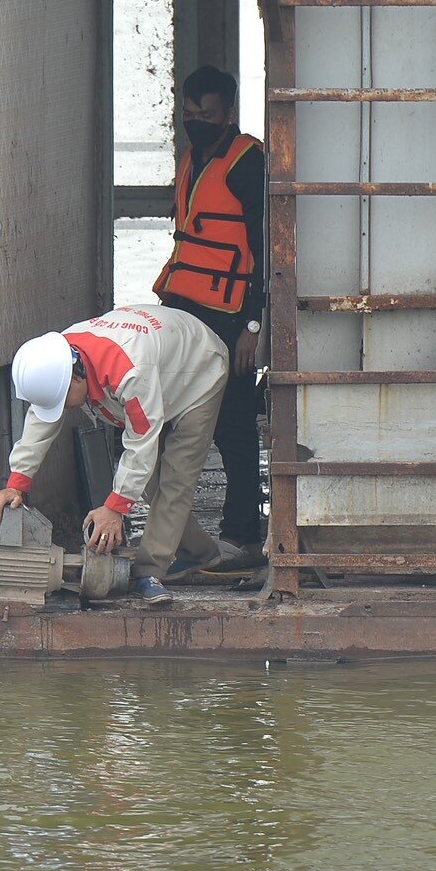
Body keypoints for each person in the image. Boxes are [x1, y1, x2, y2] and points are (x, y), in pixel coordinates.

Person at [0, 305, 230, 608]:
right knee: (146, 483)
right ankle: (201, 553)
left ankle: (149, 571)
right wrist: (17, 483)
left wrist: (115, 509)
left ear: (76, 380)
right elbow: (41, 420)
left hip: (199, 368)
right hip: (162, 358)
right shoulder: (58, 358)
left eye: (63, 402)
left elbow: (141, 442)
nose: (64, 410)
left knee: (175, 478)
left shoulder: (129, 373)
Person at [151, 64, 268, 577]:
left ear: (230, 113)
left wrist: (253, 327)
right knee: (171, 421)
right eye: (189, 113)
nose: (196, 121)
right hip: (184, 312)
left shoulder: (247, 162)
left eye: (207, 114)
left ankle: (242, 537)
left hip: (230, 319)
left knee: (234, 426)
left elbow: (266, 251)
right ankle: (180, 539)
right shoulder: (189, 159)